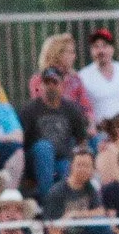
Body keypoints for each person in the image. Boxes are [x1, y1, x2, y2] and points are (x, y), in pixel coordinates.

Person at [18, 67, 89, 197]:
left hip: (62, 159)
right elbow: (21, 143)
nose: (50, 86)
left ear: (62, 85)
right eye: (46, 83)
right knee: (44, 148)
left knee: (66, 166)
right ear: (40, 86)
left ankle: (66, 205)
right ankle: (48, 201)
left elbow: (82, 140)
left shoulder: (71, 109)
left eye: (54, 82)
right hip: (35, 161)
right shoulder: (29, 110)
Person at [28, 33, 95, 117]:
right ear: (57, 54)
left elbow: (86, 107)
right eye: (71, 52)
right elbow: (40, 107)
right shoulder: (39, 80)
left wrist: (90, 120)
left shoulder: (75, 79)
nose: (74, 57)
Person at [80, 28, 119, 131]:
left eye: (105, 46)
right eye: (96, 47)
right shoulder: (83, 76)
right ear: (91, 50)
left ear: (112, 48)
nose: (101, 51)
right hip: (100, 131)